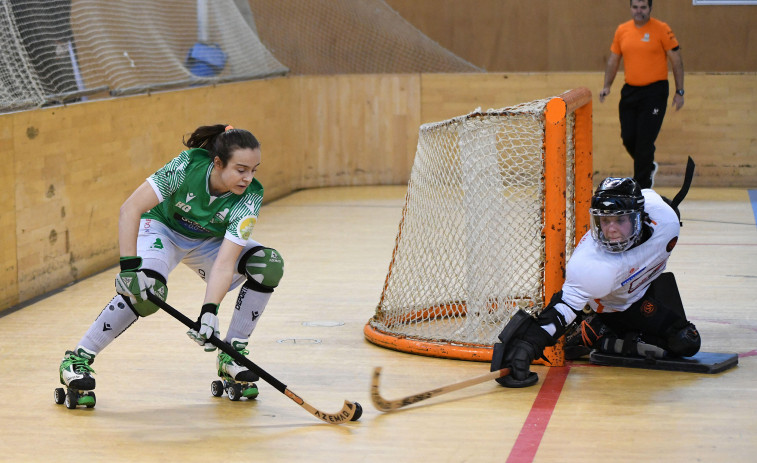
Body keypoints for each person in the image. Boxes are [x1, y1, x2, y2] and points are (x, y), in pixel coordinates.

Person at [58, 124, 284, 401]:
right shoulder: (186, 167)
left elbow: (225, 262)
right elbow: (130, 208)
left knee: (267, 264)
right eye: (241, 170)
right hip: (162, 229)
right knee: (147, 292)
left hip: (208, 241)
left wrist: (209, 311)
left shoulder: (249, 197)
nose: (248, 178)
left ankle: (232, 354)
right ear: (218, 163)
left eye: (254, 170)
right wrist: (129, 270)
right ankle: (78, 359)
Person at [490, 176, 700, 387]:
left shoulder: (667, 222)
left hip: (643, 286)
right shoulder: (593, 265)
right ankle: (596, 330)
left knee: (685, 339)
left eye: (620, 220)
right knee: (686, 341)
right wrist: (528, 344)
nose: (611, 230)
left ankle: (601, 332)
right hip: (617, 307)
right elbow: (562, 308)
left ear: (638, 217)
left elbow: (653, 198)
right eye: (604, 221)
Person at [599, 0, 685, 189]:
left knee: (645, 140)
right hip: (630, 91)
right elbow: (614, 60)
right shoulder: (622, 30)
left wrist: (679, 91)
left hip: (655, 92)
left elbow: (676, 59)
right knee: (628, 138)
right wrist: (607, 85)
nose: (639, 11)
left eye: (643, 7)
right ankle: (648, 166)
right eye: (635, 7)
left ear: (650, 9)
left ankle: (642, 187)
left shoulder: (661, 29)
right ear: (630, 8)